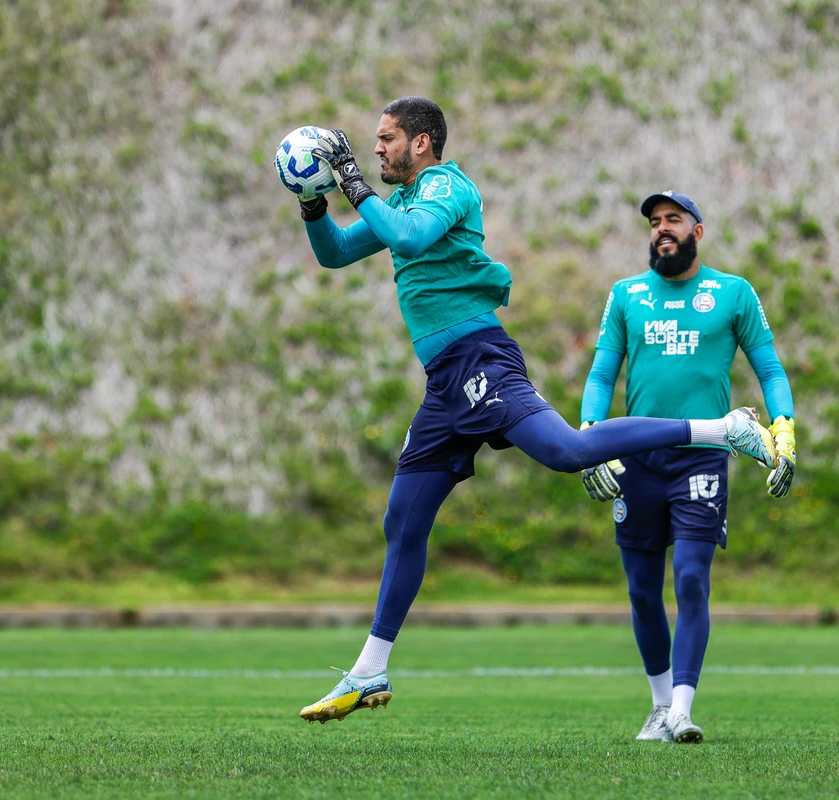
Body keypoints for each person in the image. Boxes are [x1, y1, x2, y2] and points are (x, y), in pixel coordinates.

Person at [290, 98, 778, 724]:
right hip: (445, 382)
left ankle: (723, 428)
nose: (376, 148)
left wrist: (353, 182)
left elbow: (406, 237)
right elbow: (333, 252)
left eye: (386, 139)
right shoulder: (401, 202)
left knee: (568, 451)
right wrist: (311, 199)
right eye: (373, 142)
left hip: (480, 359)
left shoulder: (445, 185)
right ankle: (369, 671)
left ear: (421, 142)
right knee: (403, 520)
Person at [578, 191, 796, 743]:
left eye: (672, 220)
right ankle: (657, 707)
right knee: (641, 590)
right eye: (654, 222)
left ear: (698, 231)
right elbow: (603, 374)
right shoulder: (626, 295)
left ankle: (681, 708)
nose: (661, 230)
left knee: (692, 580)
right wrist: (588, 436)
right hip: (635, 459)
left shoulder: (732, 293)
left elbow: (768, 366)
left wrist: (783, 426)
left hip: (703, 457)